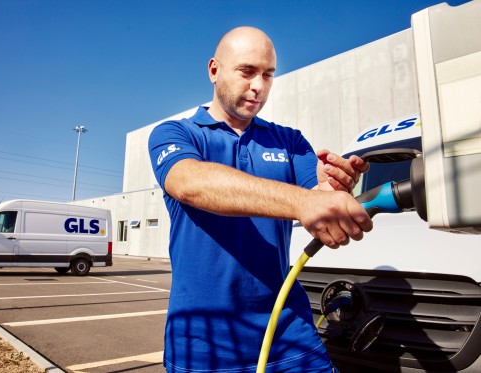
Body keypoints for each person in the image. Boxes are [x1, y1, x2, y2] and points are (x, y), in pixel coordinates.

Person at [148, 26, 372, 373]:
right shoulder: (176, 134)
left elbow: (317, 196)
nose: (259, 86)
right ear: (214, 70)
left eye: (268, 75)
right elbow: (190, 183)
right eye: (247, 71)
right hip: (203, 342)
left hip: (289, 333)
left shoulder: (289, 140)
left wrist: (335, 188)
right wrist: (302, 202)